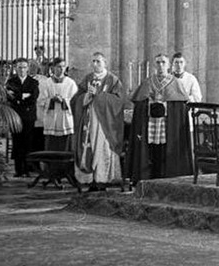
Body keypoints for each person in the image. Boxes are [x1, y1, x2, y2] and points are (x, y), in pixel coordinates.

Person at [128, 53, 192, 183]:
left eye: (163, 62)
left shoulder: (176, 83)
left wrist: (167, 104)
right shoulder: (148, 82)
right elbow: (139, 102)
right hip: (151, 123)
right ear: (154, 65)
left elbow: (181, 107)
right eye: (158, 62)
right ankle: (150, 175)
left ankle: (167, 175)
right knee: (151, 149)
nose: (160, 65)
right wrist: (147, 103)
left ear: (168, 65)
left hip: (167, 124)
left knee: (165, 149)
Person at [70, 52, 126, 192]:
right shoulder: (87, 79)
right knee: (88, 148)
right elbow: (75, 99)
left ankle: (103, 179)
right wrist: (86, 96)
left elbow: (119, 102)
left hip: (104, 124)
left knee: (102, 150)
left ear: (105, 63)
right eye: (93, 61)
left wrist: (99, 96)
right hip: (87, 122)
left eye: (98, 61)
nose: (95, 64)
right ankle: (90, 180)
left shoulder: (112, 80)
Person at [5, 58, 40, 177]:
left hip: (29, 116)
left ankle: (27, 169)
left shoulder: (33, 82)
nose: (22, 70)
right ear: (16, 68)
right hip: (15, 116)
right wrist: (23, 96)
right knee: (17, 142)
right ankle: (18, 170)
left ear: (28, 68)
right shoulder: (11, 81)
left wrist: (18, 98)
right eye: (19, 67)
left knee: (28, 142)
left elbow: (33, 98)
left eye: (24, 67)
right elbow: (9, 97)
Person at [38, 57, 78, 151]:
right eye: (59, 67)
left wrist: (64, 101)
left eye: (63, 66)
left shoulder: (70, 83)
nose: (61, 69)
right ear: (53, 68)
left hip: (65, 118)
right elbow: (41, 100)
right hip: (52, 118)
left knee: (66, 145)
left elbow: (75, 101)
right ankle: (51, 165)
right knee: (51, 145)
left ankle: (65, 165)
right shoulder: (46, 83)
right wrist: (52, 100)